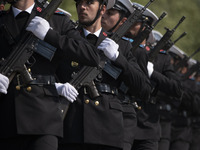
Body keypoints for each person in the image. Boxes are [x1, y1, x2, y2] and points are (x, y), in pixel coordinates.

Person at [0, 0, 101, 149]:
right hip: (6, 120)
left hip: (43, 119)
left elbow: (92, 56)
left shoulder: (57, 20)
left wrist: (50, 35)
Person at [57, 0, 151, 150]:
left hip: (106, 130)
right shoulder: (66, 38)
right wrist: (56, 87)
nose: (82, 7)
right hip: (70, 127)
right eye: (79, 2)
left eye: (88, 2)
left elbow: (144, 89)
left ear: (102, 9)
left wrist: (118, 58)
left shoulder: (122, 46)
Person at [121, 3, 183, 150]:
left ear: (145, 27)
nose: (129, 23)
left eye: (134, 21)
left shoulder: (161, 58)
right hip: (121, 119)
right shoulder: (119, 47)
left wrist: (152, 74)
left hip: (147, 125)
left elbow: (177, 89)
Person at [101, 0, 152, 150]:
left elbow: (144, 89)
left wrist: (119, 59)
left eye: (110, 13)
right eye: (104, 11)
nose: (103, 16)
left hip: (120, 115)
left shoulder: (133, 49)